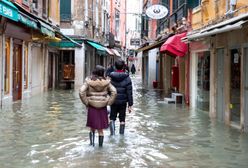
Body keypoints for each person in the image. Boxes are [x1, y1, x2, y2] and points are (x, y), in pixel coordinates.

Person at [79, 65, 117, 147]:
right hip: (102, 108)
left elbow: (81, 91)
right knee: (100, 130)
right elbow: (114, 92)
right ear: (102, 73)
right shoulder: (106, 82)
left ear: (94, 72)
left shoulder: (89, 81)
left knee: (92, 128)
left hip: (92, 107)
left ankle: (91, 145)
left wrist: (87, 102)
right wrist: (108, 102)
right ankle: (100, 149)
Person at [109, 60, 133, 135]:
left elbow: (108, 90)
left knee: (112, 118)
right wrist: (130, 105)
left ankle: (112, 135)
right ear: (123, 67)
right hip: (123, 102)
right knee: (122, 119)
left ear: (115, 67)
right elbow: (129, 92)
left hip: (113, 101)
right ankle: (121, 137)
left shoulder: (111, 77)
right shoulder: (127, 78)